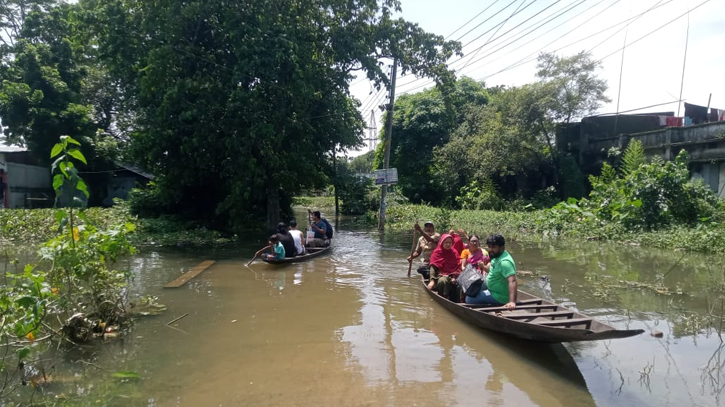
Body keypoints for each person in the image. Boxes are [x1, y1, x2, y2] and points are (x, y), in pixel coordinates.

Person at [465, 234, 517, 310]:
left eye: (494, 247)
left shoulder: (505, 262)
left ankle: (484, 305)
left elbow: (513, 281)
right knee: (471, 285)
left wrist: (512, 302)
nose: (491, 249)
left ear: (502, 247)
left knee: (469, 299)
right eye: (490, 247)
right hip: (491, 286)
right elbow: (492, 271)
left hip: (498, 296)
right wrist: (483, 267)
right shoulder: (497, 256)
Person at [427, 234, 461, 301]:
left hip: (453, 275)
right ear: (442, 243)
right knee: (443, 281)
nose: (448, 244)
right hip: (440, 275)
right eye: (446, 242)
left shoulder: (455, 252)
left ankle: (459, 300)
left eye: (450, 242)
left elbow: (458, 267)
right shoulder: (436, 253)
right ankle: (443, 298)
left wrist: (454, 277)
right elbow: (433, 268)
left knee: (461, 283)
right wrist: (432, 281)